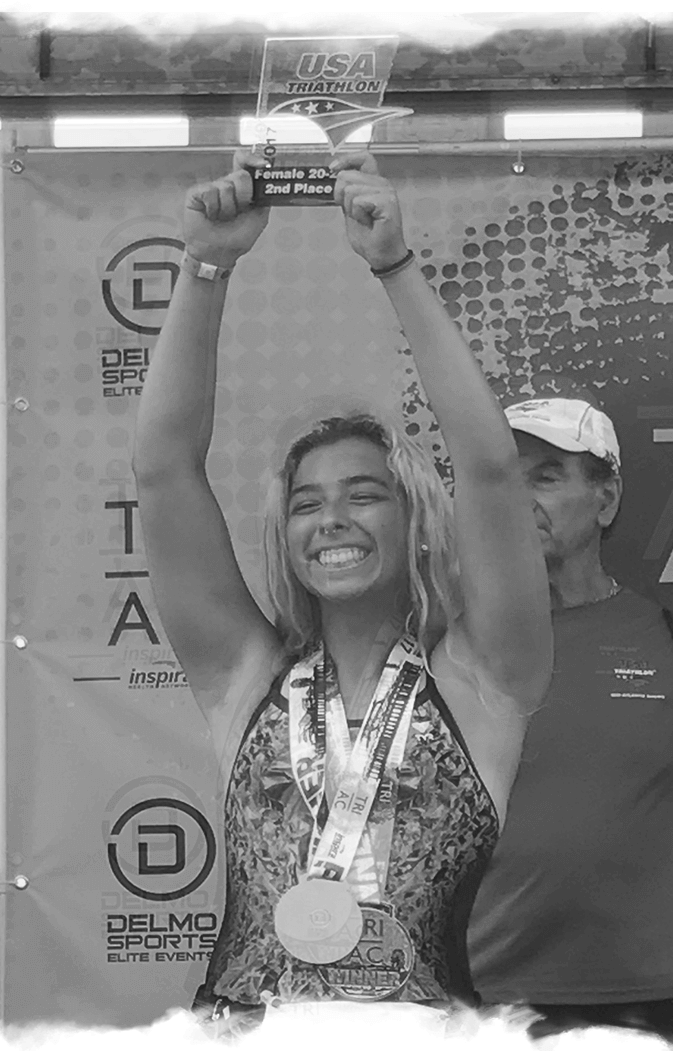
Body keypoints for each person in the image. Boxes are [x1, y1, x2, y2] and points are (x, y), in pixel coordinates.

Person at [132, 150, 551, 1031]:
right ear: (284, 537)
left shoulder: (485, 683)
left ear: (414, 519)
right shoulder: (243, 677)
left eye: (364, 494)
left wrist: (393, 265)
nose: (332, 519)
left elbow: (490, 472)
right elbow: (165, 470)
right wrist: (206, 264)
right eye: (305, 503)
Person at [467, 395, 673, 1041]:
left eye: (547, 475)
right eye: (504, 477)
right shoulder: (440, 647)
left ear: (605, 498)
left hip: (652, 1000)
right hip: (483, 1001)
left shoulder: (660, 636)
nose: (519, 496)